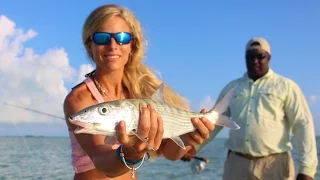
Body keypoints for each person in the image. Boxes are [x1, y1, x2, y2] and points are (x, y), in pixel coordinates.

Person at [63, 4, 215, 180]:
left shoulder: (138, 93)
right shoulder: (79, 98)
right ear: (90, 45)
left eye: (122, 37)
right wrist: (130, 155)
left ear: (132, 45)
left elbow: (169, 153)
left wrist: (189, 138)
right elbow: (102, 161)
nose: (113, 45)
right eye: (102, 37)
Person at [183, 37, 318, 180]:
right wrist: (194, 147)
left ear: (269, 58)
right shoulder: (232, 88)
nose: (255, 60)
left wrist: (307, 169)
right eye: (250, 56)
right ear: (245, 58)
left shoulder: (287, 87)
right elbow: (214, 124)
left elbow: (302, 125)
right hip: (236, 163)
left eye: (260, 56)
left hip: (275, 164)